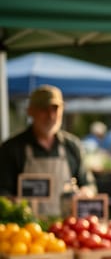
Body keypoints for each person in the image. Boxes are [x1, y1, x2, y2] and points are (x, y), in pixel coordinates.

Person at [0, 85, 96, 217]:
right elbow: (2, 191)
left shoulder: (72, 146)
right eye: (44, 110)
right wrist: (12, 201)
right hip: (26, 231)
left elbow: (88, 184)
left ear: (62, 110)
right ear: (30, 111)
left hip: (67, 228)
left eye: (55, 109)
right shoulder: (11, 148)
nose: (50, 116)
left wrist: (86, 192)